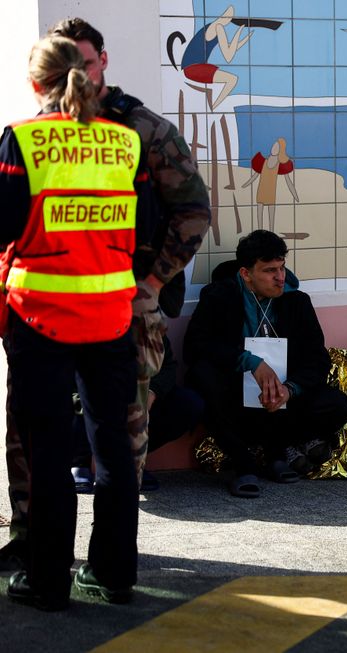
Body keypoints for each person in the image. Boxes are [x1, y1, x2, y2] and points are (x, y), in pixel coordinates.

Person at [0, 17, 211, 571]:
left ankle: (79, 564)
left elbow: (192, 211)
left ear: (103, 62)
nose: (83, 76)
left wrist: (153, 282)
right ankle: (37, 542)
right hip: (84, 308)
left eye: (87, 63)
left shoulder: (141, 130)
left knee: (114, 439)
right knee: (36, 438)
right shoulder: (108, 141)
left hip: (115, 308)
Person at [0, 37, 147, 610]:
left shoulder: (25, 140)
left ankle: (46, 580)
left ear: (37, 84)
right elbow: (147, 224)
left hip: (40, 319)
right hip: (111, 317)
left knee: (47, 450)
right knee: (112, 449)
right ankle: (112, 576)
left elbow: (5, 223)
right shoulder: (126, 142)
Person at [184, 230, 347, 498]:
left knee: (337, 406)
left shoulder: (297, 302)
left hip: (281, 398)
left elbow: (316, 357)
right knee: (203, 376)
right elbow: (196, 346)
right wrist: (250, 361)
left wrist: (290, 388)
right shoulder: (219, 297)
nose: (280, 277)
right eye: (269, 270)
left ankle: (280, 450)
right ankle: (244, 465)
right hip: (235, 396)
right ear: (245, 274)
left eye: (282, 267)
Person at [71, 334, 205, 493]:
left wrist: (151, 392)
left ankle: (132, 461)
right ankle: (79, 463)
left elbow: (167, 365)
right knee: (78, 400)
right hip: (96, 394)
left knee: (188, 403)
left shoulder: (146, 320)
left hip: (137, 396)